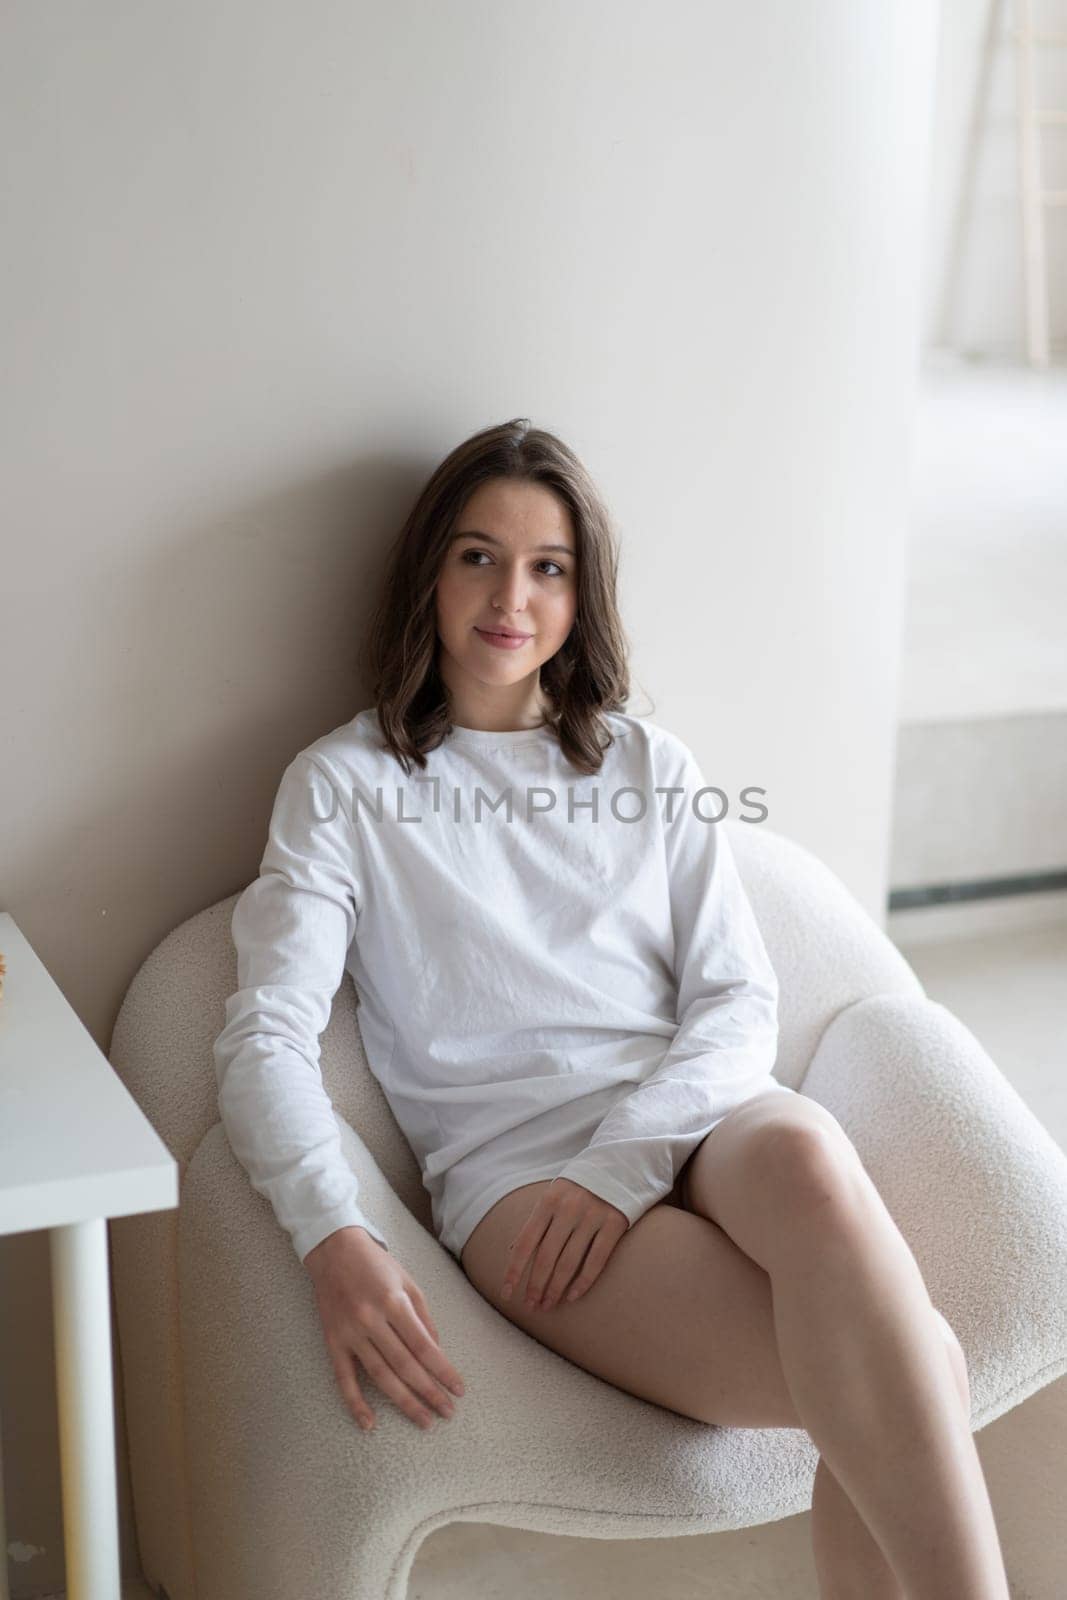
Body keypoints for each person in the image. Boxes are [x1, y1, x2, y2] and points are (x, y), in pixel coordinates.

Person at [213, 418, 1010, 1598]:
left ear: (583, 595)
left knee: (800, 1151)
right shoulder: (346, 786)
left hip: (691, 1119)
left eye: (548, 567)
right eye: (478, 556)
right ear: (427, 572)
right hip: (523, 1175)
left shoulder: (646, 765)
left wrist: (628, 1160)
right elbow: (261, 1038)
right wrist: (334, 1237)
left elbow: (737, 996)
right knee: (915, 1368)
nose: (510, 597)